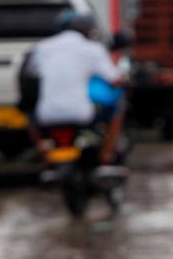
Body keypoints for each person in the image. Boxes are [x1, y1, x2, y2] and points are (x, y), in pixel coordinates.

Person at [26, 11, 126, 164]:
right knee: (117, 112)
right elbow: (114, 80)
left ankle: (41, 150)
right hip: (81, 113)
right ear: (88, 30)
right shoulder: (93, 49)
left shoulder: (43, 47)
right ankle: (106, 155)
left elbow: (31, 73)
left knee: (29, 115)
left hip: (47, 115)